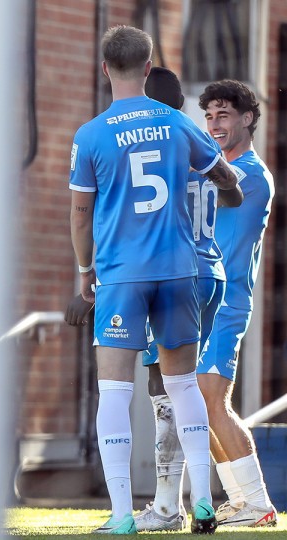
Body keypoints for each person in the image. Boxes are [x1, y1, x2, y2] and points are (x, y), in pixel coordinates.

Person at [68, 26, 242, 535]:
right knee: (184, 384)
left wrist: (85, 269)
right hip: (179, 270)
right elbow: (224, 179)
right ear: (148, 67)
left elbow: (80, 215)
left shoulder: (92, 134)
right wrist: (227, 189)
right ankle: (203, 503)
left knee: (115, 391)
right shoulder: (178, 122)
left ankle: (123, 515)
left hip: (122, 274)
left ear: (106, 70)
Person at [194, 80, 277, 528]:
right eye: (208, 116)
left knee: (211, 403)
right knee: (197, 407)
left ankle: (259, 502)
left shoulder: (251, 174)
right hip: (202, 302)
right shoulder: (220, 167)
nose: (214, 123)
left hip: (227, 304)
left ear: (247, 119)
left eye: (223, 114)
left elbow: (216, 185)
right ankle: (241, 500)